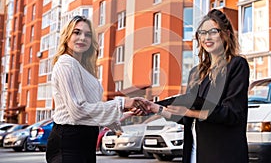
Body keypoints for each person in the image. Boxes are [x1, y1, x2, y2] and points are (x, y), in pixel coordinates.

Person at [150, 9, 250, 163]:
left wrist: (191, 111)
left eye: (213, 31)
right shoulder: (196, 73)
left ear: (226, 34)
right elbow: (185, 116)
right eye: (202, 32)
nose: (207, 37)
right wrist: (154, 108)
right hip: (194, 153)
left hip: (223, 154)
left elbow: (232, 114)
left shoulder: (237, 65)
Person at [46, 15, 149, 163]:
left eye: (88, 35)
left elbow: (91, 112)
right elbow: (78, 111)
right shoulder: (66, 64)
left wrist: (127, 111)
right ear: (66, 36)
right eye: (77, 32)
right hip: (69, 143)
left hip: (83, 142)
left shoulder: (82, 68)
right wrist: (121, 103)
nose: (82, 38)